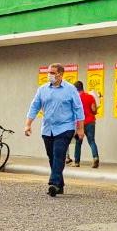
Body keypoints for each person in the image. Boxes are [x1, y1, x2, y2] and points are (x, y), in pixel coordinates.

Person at [24, 63, 85, 197]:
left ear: (60, 74)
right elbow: (34, 107)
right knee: (52, 156)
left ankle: (54, 183)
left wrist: (80, 128)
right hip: (48, 129)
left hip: (65, 127)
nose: (49, 75)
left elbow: (78, 109)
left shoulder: (70, 89)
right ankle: (59, 185)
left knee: (59, 154)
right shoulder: (42, 89)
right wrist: (28, 124)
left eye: (52, 72)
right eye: (49, 72)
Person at [72, 81, 100, 168]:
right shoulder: (90, 97)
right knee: (91, 141)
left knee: (78, 142)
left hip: (79, 123)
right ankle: (95, 157)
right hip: (90, 122)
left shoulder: (75, 99)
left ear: (75, 89)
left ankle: (76, 162)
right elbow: (94, 110)